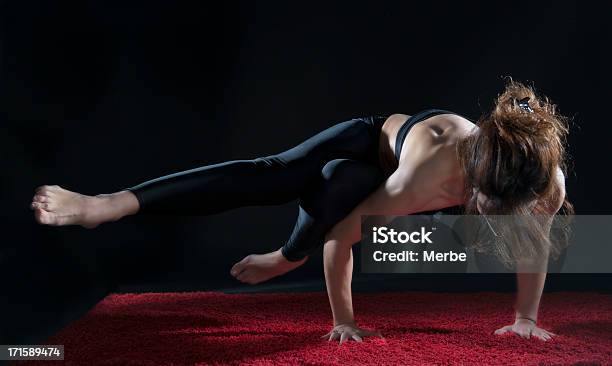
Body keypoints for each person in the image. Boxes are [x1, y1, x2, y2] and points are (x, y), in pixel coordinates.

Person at [31, 79, 572, 343]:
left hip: (402, 178)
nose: (488, 218)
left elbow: (535, 246)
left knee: (338, 188)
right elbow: (340, 237)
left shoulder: (544, 185)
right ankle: (107, 205)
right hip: (368, 146)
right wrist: (341, 317)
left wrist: (526, 318)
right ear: (472, 181)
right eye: (484, 206)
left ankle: (285, 254)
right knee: (291, 175)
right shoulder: (423, 178)